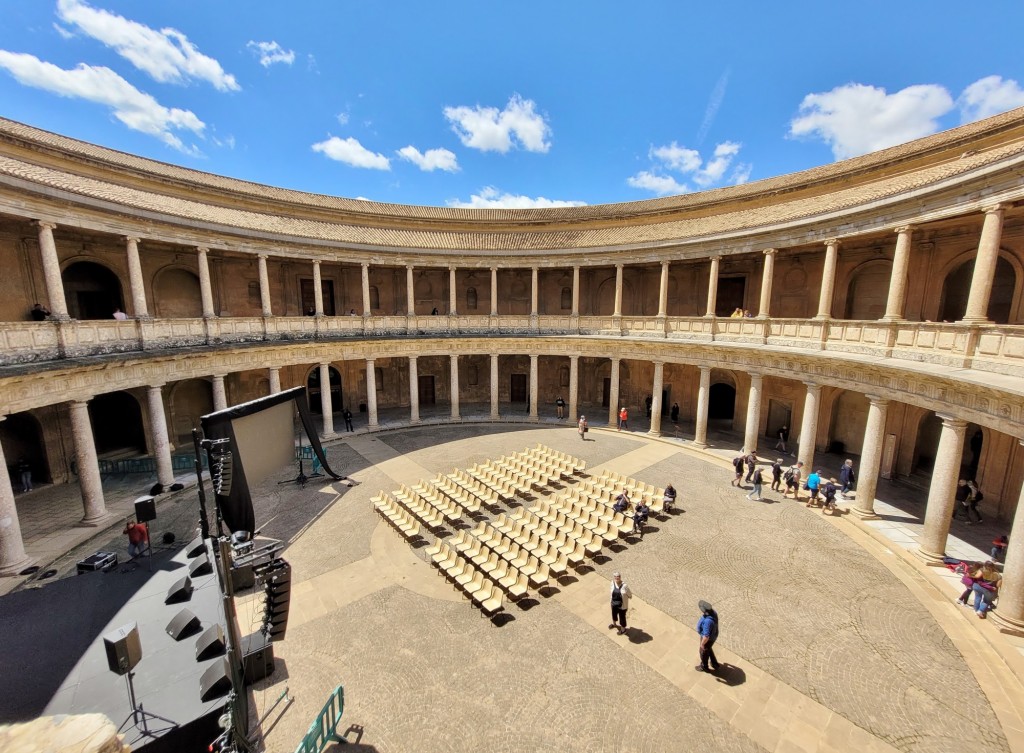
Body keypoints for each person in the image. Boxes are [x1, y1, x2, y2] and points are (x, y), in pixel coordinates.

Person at [696, 600, 720, 672]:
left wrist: (702, 644)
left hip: (708, 639)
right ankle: (714, 663)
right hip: (713, 635)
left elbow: (706, 636)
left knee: (703, 652)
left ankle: (704, 666)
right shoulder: (713, 612)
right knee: (708, 648)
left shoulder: (707, 622)